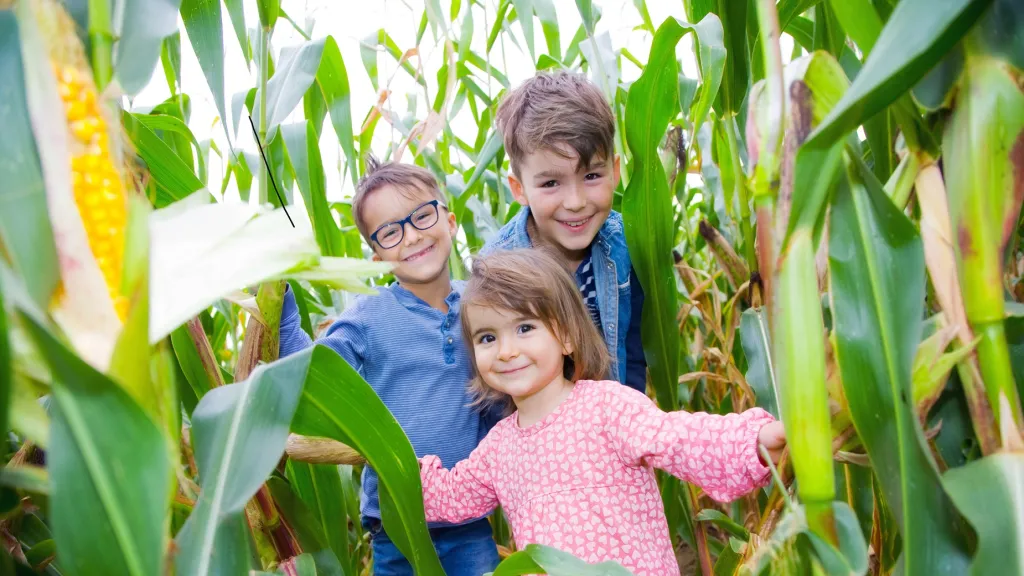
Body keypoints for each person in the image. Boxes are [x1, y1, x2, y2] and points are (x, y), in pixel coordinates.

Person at [418, 249, 787, 575]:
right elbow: (454, 494)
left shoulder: (606, 407)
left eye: (525, 327)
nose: (506, 350)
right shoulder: (499, 447)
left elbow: (679, 438)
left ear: (565, 336)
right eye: (487, 337)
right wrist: (389, 461)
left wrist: (751, 441)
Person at [277, 157, 500, 575]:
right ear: (376, 255)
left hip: (469, 522)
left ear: (450, 221)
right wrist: (283, 313)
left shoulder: (484, 302)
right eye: (391, 232)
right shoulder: (367, 317)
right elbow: (312, 377)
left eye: (421, 216)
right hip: (395, 525)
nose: (411, 236)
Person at [482, 70, 647, 394]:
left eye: (591, 176)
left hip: (613, 424)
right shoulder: (496, 269)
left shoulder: (627, 246)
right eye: (551, 183)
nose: (575, 203)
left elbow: (636, 349)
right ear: (520, 189)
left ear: (614, 171)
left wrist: (634, 419)